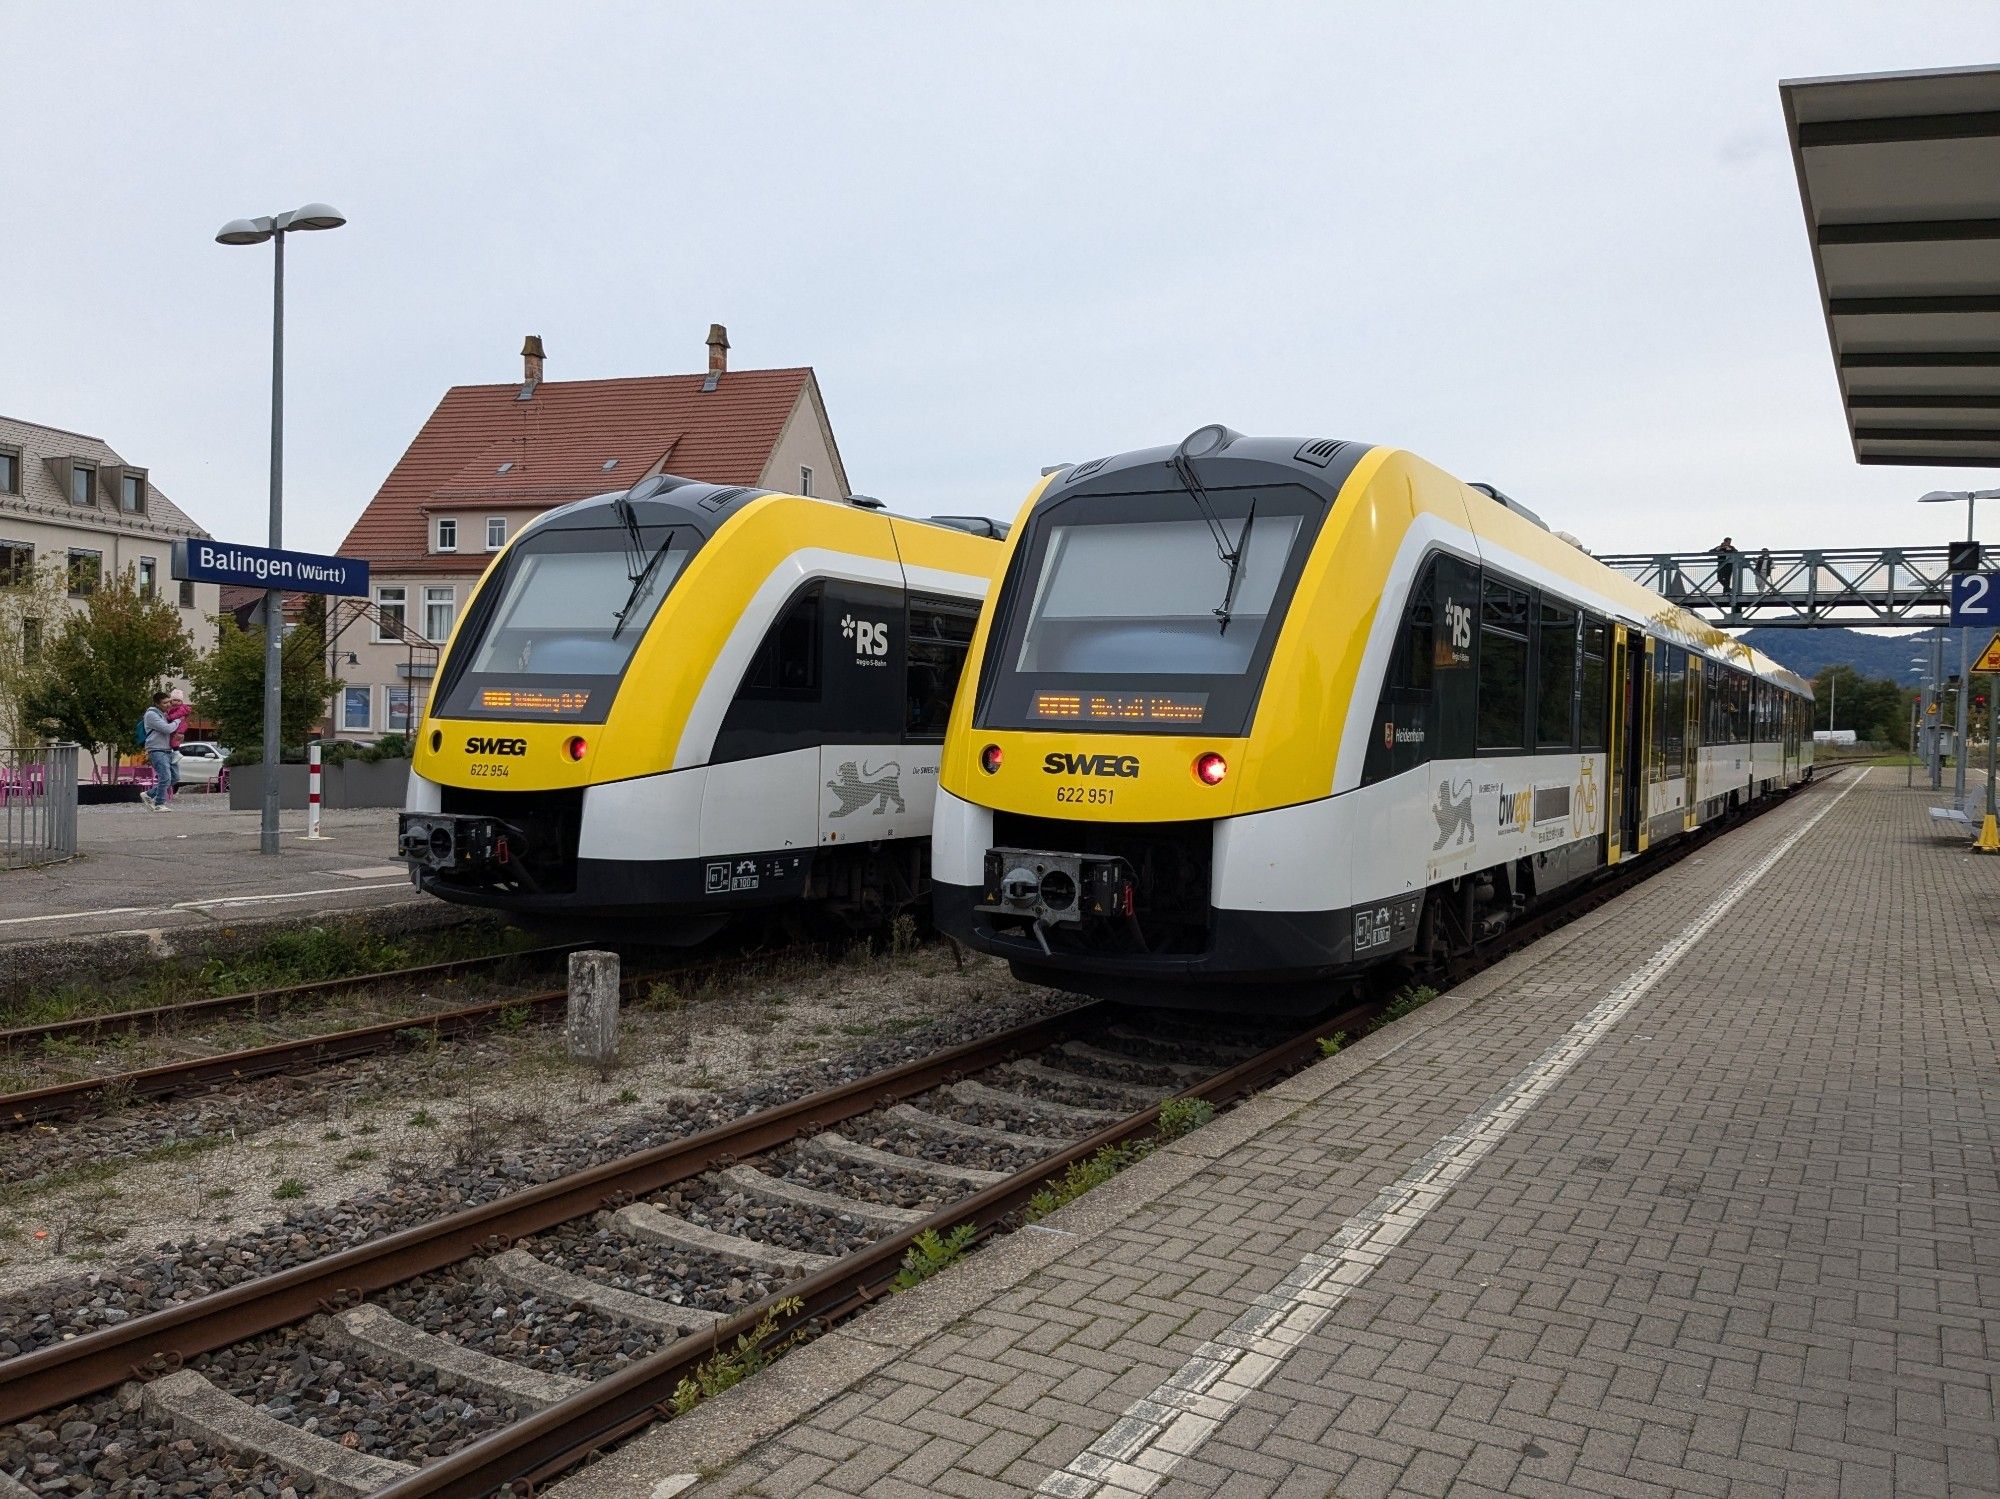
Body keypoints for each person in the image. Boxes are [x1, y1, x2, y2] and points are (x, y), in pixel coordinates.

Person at [141, 691, 175, 811]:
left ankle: (149, 794)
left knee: (175, 777)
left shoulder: (163, 714)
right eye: (165, 703)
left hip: (167, 749)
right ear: (157, 703)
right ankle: (159, 804)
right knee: (165, 777)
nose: (168, 704)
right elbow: (167, 729)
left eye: (169, 702)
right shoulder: (151, 714)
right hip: (156, 749)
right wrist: (178, 722)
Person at [164, 688, 192, 794]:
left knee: (174, 742)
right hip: (176, 729)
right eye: (174, 700)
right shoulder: (172, 708)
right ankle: (176, 752)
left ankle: (177, 752)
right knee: (173, 741)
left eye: (178, 701)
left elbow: (176, 716)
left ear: (181, 701)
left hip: (179, 728)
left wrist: (170, 717)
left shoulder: (182, 709)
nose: (175, 703)